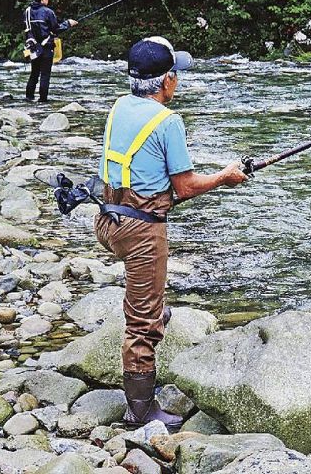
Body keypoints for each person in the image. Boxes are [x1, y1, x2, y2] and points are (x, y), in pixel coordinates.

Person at [94, 36, 248, 429]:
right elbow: (185, 187)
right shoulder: (167, 122)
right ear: (166, 82)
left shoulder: (118, 108)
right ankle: (140, 410)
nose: (177, 81)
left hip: (107, 220)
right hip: (140, 232)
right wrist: (226, 176)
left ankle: (153, 306)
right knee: (142, 323)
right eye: (175, 74)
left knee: (148, 297)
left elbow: (132, 174)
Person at [22, 0, 78, 101]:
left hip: (33, 48)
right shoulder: (48, 12)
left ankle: (28, 98)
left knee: (34, 73)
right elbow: (56, 29)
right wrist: (68, 23)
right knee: (45, 75)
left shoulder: (27, 12)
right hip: (47, 47)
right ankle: (43, 101)